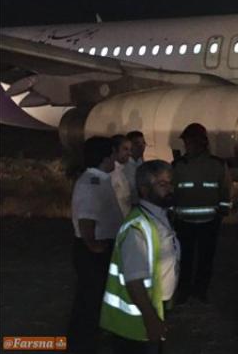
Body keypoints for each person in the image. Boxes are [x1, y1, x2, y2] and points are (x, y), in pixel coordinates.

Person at [100, 160, 180, 354]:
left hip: (154, 309)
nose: (170, 189)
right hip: (137, 321)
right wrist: (151, 318)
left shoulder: (159, 217)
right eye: (162, 184)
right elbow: (134, 281)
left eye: (170, 183)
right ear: (144, 190)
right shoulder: (137, 228)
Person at [68, 137, 123, 353]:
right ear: (105, 157)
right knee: (89, 299)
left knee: (92, 297)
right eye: (113, 155)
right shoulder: (92, 182)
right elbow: (86, 219)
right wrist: (94, 246)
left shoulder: (100, 179)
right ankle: (82, 343)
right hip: (93, 248)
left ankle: (86, 340)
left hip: (96, 246)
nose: (115, 160)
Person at [172, 123, 232, 304]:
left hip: (208, 221)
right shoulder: (178, 166)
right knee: (185, 258)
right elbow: (171, 192)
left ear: (201, 143)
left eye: (189, 142)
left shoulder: (217, 165)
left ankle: (200, 289)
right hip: (185, 221)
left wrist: (223, 209)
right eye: (186, 142)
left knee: (205, 258)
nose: (186, 146)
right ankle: (185, 289)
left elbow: (225, 190)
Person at [111, 134, 133, 217]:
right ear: (114, 150)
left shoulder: (121, 171)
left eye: (130, 150)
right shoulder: (110, 173)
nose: (129, 153)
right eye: (125, 149)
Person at [124, 130, 146, 205]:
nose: (141, 146)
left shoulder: (141, 161)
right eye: (137, 144)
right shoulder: (124, 165)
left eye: (143, 143)